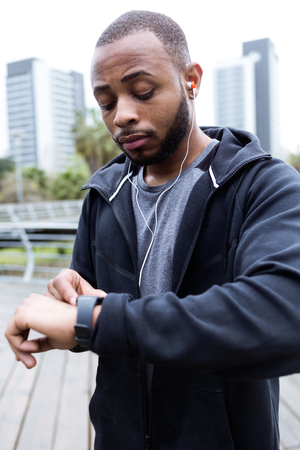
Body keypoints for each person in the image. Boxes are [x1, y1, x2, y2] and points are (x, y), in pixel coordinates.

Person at [5, 10, 300, 450]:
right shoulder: (102, 195)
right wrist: (70, 308)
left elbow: (282, 315)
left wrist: (94, 320)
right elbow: (97, 316)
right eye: (105, 103)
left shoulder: (263, 186)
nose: (121, 115)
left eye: (142, 92)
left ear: (191, 81)